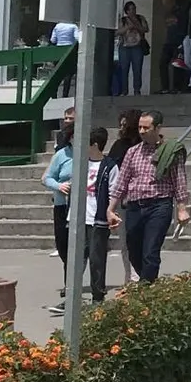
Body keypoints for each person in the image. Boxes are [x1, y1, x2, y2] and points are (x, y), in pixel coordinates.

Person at [108, 111, 191, 283]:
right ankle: (148, 281)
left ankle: (146, 288)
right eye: (139, 127)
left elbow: (179, 181)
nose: (142, 131)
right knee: (133, 248)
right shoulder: (132, 152)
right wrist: (110, 208)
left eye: (146, 127)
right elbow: (121, 182)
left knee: (151, 250)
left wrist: (182, 209)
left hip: (159, 206)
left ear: (158, 128)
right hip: (134, 207)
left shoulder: (170, 151)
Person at [97, 109, 143, 287]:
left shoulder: (143, 147)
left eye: (125, 124)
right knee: (126, 243)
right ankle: (131, 278)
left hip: (142, 199)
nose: (122, 128)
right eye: (120, 124)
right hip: (124, 201)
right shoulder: (119, 145)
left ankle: (141, 277)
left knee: (142, 244)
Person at [42, 125, 75, 314]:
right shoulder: (62, 155)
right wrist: (59, 185)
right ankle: (68, 286)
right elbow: (46, 178)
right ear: (70, 138)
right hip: (62, 206)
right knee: (63, 248)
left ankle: (72, 290)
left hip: (82, 208)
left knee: (77, 251)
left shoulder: (89, 155)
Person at [81, 127, 115, 304]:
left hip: (98, 219)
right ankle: (72, 295)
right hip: (79, 218)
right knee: (77, 260)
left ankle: (98, 296)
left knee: (96, 259)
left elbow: (113, 192)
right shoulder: (81, 163)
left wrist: (110, 213)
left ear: (94, 145)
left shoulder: (110, 166)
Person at [114, 1, 149, 97]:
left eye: (134, 8)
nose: (133, 11)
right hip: (125, 47)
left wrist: (137, 25)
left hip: (137, 47)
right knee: (124, 69)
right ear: (127, 11)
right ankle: (124, 91)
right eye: (130, 9)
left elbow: (146, 29)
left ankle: (137, 90)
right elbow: (117, 32)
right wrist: (127, 28)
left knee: (137, 70)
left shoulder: (140, 18)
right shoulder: (123, 20)